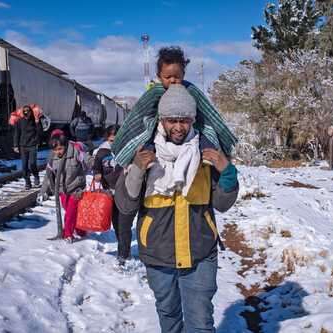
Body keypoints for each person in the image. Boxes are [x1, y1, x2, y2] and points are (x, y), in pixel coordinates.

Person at [115, 84, 239, 332]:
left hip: (200, 253)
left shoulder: (207, 153)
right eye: (173, 120)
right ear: (162, 120)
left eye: (184, 120)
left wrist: (227, 171)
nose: (179, 127)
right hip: (158, 254)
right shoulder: (144, 154)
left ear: (193, 120)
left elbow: (222, 204)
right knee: (168, 317)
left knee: (201, 323)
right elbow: (125, 205)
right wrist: (137, 170)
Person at [92, 125, 135, 265]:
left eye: (117, 140)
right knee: (116, 223)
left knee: (124, 224)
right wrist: (97, 174)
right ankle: (123, 248)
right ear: (107, 139)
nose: (114, 143)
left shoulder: (129, 150)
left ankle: (124, 255)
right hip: (109, 194)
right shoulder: (102, 151)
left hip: (126, 193)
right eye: (111, 141)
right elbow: (96, 165)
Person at [38, 130, 88, 242]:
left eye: (60, 149)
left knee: (70, 212)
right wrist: (42, 192)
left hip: (76, 188)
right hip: (62, 190)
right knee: (69, 211)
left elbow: (87, 159)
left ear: (65, 144)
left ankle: (68, 235)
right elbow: (48, 176)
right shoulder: (52, 157)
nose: (58, 152)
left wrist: (97, 167)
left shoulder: (75, 151)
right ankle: (80, 229)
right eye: (55, 150)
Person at [13, 105, 42, 189]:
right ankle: (27, 182)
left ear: (31, 112)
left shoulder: (35, 121)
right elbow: (17, 134)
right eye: (24, 111)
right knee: (24, 166)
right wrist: (15, 145)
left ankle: (36, 176)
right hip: (23, 146)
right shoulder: (20, 121)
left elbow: (40, 132)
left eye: (28, 111)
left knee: (32, 163)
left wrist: (37, 122)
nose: (26, 112)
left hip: (32, 145)